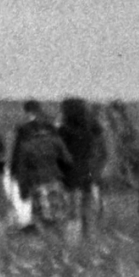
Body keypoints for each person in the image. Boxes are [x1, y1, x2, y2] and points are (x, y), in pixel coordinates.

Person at [11, 102, 73, 232]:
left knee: (41, 217)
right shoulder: (55, 140)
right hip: (55, 179)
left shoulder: (25, 145)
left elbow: (21, 170)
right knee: (59, 214)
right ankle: (61, 242)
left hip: (37, 182)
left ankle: (46, 242)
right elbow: (68, 160)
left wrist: (23, 190)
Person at [59, 98, 106, 235]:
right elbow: (93, 150)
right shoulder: (87, 130)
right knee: (86, 206)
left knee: (71, 209)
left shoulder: (64, 131)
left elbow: (61, 153)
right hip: (86, 170)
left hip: (69, 173)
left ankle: (72, 238)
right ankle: (87, 235)